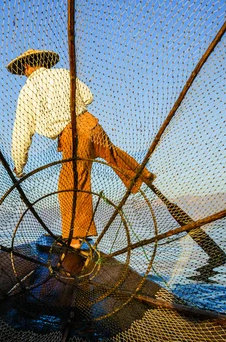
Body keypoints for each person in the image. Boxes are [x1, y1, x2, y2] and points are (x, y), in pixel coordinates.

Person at [8, 49, 155, 249]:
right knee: (110, 153)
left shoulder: (28, 90)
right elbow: (87, 96)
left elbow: (22, 132)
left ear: (26, 66)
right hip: (91, 123)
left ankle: (75, 239)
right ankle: (141, 174)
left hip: (73, 134)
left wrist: (19, 165)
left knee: (71, 184)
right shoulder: (63, 74)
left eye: (22, 70)